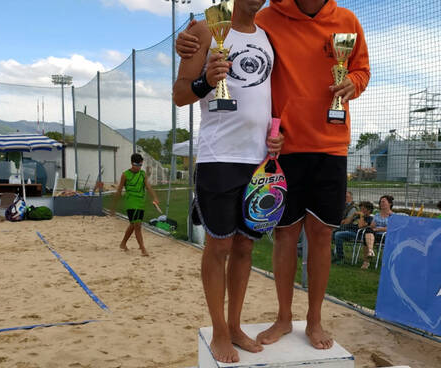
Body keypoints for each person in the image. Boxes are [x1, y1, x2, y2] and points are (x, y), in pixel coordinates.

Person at [177, 0, 370, 350]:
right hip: (270, 150)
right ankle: (269, 320)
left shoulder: (342, 20)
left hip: (312, 147)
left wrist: (352, 84)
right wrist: (188, 43)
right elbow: (198, 62)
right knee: (271, 236)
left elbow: (361, 71)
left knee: (306, 237)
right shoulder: (259, 19)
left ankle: (307, 321)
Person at [172, 0, 283, 363]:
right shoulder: (205, 28)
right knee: (217, 248)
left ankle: (236, 325)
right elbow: (180, 94)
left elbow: (264, 99)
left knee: (245, 249)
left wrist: (276, 135)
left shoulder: (267, 37)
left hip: (257, 161)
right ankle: (219, 330)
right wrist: (206, 80)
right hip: (219, 158)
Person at [112, 153, 159, 257]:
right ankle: (142, 248)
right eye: (136, 164)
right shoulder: (125, 174)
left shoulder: (142, 174)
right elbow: (119, 190)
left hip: (141, 203)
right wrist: (113, 206)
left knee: (134, 224)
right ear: (131, 163)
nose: (138, 167)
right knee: (137, 225)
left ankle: (123, 243)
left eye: (140, 165)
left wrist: (155, 197)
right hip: (131, 203)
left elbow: (148, 187)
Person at [362, 195, 393, 269]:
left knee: (368, 235)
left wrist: (378, 229)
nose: (381, 203)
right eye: (380, 202)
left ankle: (370, 253)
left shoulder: (393, 216)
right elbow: (372, 226)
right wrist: (372, 227)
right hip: (373, 235)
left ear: (390, 204)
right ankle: (368, 258)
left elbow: (390, 228)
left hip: (386, 236)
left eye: (383, 202)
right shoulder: (377, 215)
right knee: (368, 230)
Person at [332, 191, 359, 263]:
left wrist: (341, 221)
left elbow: (347, 222)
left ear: (351, 198)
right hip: (341, 228)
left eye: (346, 197)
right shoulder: (342, 206)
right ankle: (330, 254)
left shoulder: (352, 208)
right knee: (325, 233)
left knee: (337, 235)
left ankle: (340, 258)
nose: (344, 199)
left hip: (351, 230)